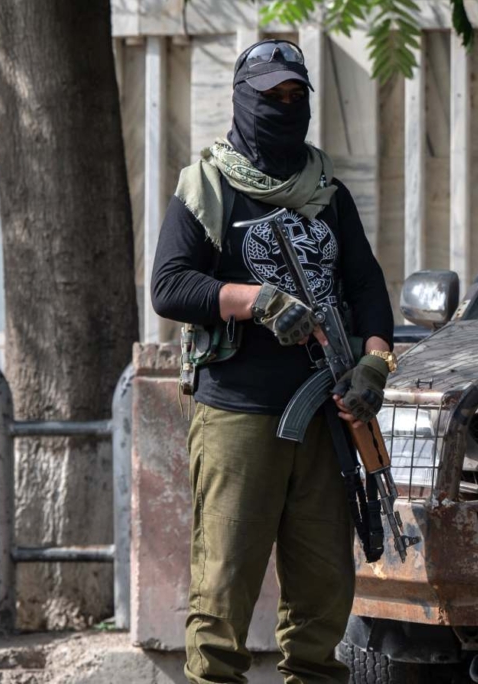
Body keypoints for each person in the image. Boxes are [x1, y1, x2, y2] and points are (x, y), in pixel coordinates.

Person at [151, 39, 395, 683]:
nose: (284, 107)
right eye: (269, 96)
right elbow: (169, 286)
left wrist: (375, 363)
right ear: (241, 99)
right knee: (223, 589)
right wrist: (252, 300)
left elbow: (367, 288)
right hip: (239, 413)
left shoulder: (328, 193)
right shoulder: (207, 186)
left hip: (325, 415)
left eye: (294, 96)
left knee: (323, 595)